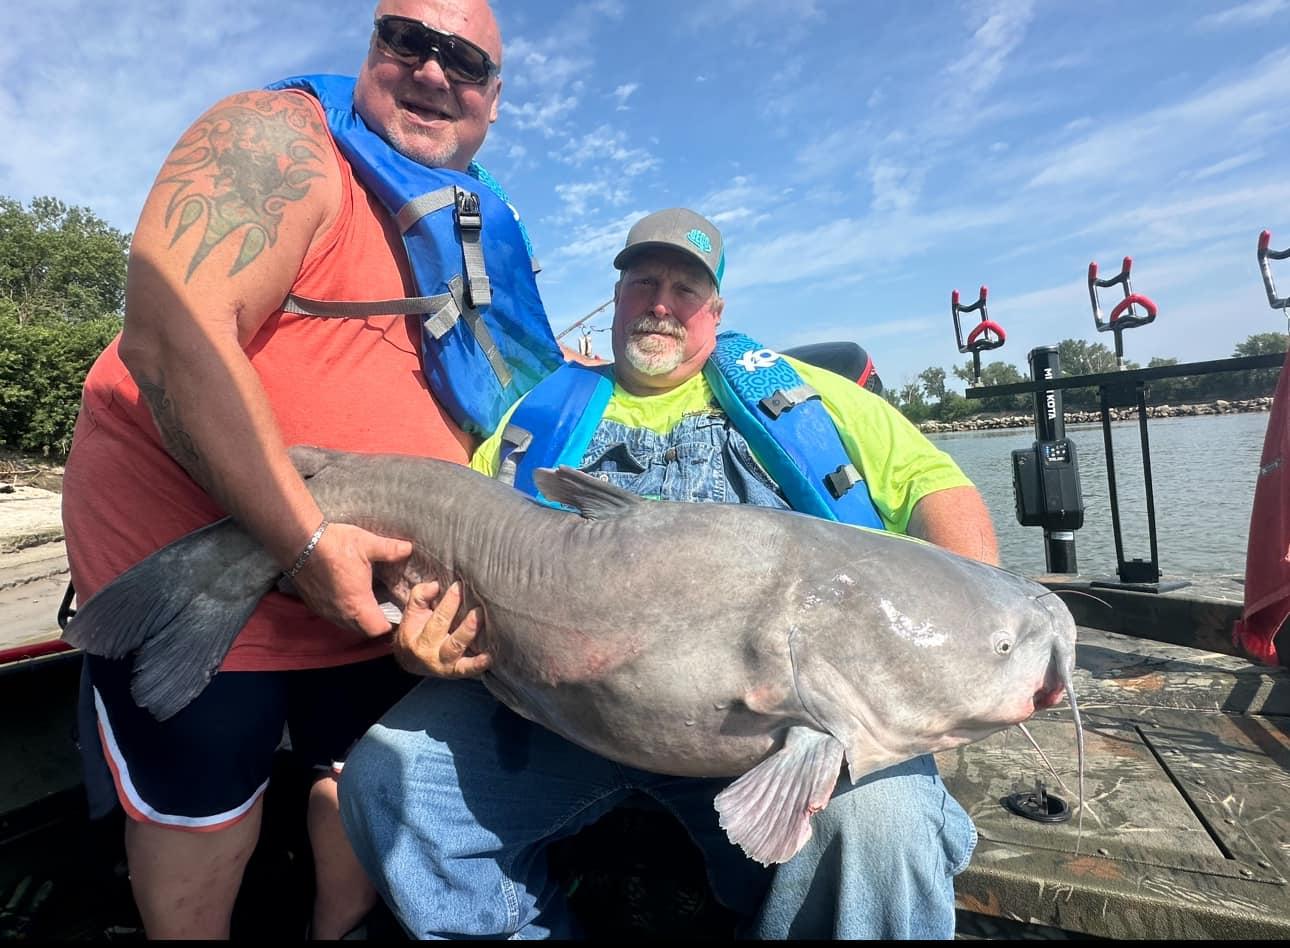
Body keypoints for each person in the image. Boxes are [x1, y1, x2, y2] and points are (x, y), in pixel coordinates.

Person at [337, 208, 1001, 939]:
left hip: (782, 735)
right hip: (557, 718)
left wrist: (967, 636)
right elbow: (461, 551)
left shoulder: (814, 395)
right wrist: (425, 635)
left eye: (684, 289)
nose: (660, 303)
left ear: (715, 310)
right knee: (388, 781)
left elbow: (940, 492)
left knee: (884, 826)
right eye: (643, 282)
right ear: (616, 298)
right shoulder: (539, 412)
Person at [60, 0, 544, 939]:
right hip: (198, 563)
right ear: (371, 49)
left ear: (494, 97)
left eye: (466, 62)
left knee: (352, 775)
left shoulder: (474, 221)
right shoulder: (278, 139)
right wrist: (307, 538)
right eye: (409, 41)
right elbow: (172, 336)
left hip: (368, 586)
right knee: (204, 805)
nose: (435, 72)